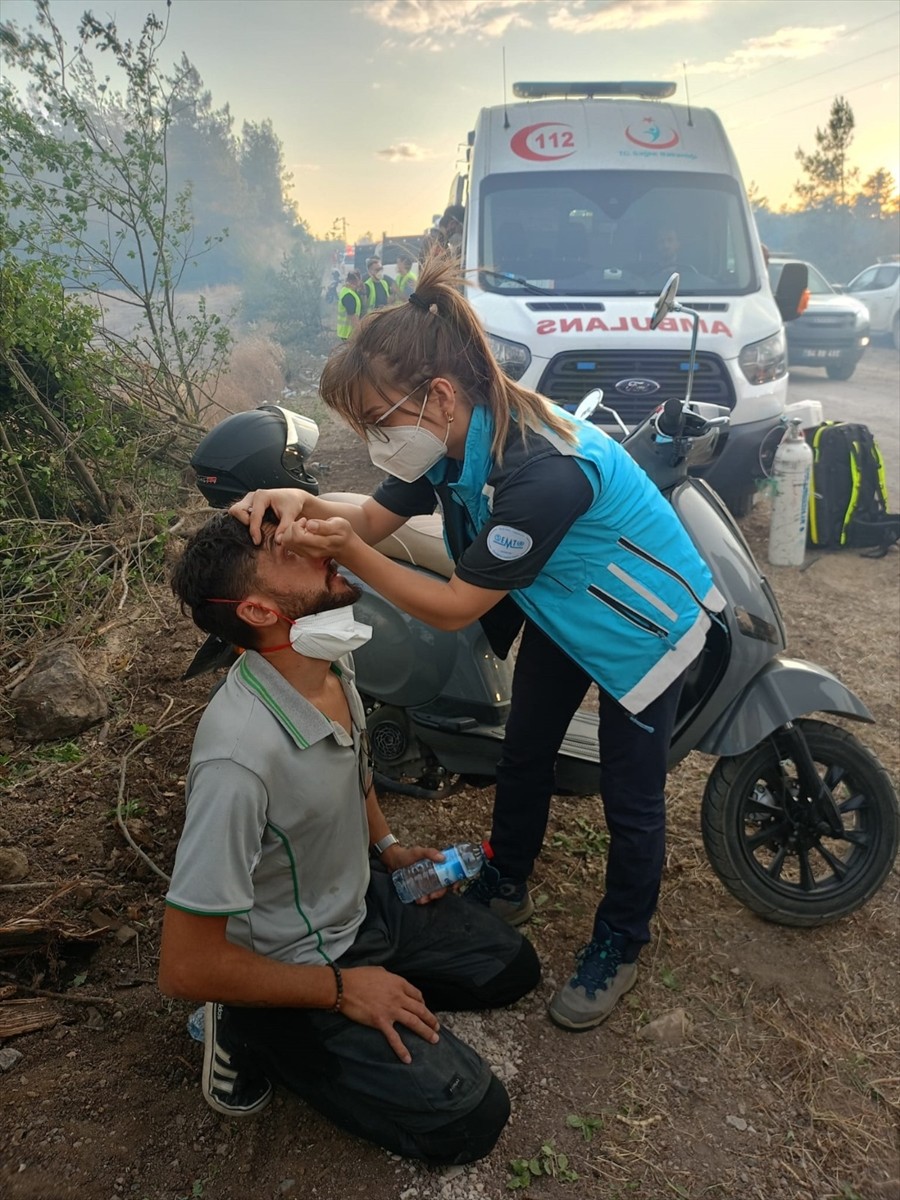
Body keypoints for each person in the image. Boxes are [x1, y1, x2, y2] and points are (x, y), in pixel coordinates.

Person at [230, 253, 725, 1034]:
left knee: (633, 803)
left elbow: (458, 605)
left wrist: (354, 559)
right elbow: (372, 516)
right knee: (523, 752)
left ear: (437, 395)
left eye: (377, 422)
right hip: (567, 610)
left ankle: (621, 942)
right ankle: (507, 878)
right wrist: (300, 498)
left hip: (640, 627)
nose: (374, 440)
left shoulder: (540, 472)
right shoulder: (453, 443)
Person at [159, 510, 540, 1163]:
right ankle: (248, 1025)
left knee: (511, 970)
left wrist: (390, 851)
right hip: (296, 960)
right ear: (256, 610)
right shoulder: (237, 761)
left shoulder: (326, 655)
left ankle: (360, 976)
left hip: (361, 902)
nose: (319, 547)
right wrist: (343, 990)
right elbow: (185, 964)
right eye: (292, 554)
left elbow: (354, 766)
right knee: (473, 1117)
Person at [336, 269, 363, 341]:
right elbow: (353, 316)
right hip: (349, 333)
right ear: (356, 281)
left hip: (346, 333)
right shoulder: (349, 295)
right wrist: (360, 333)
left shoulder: (346, 291)